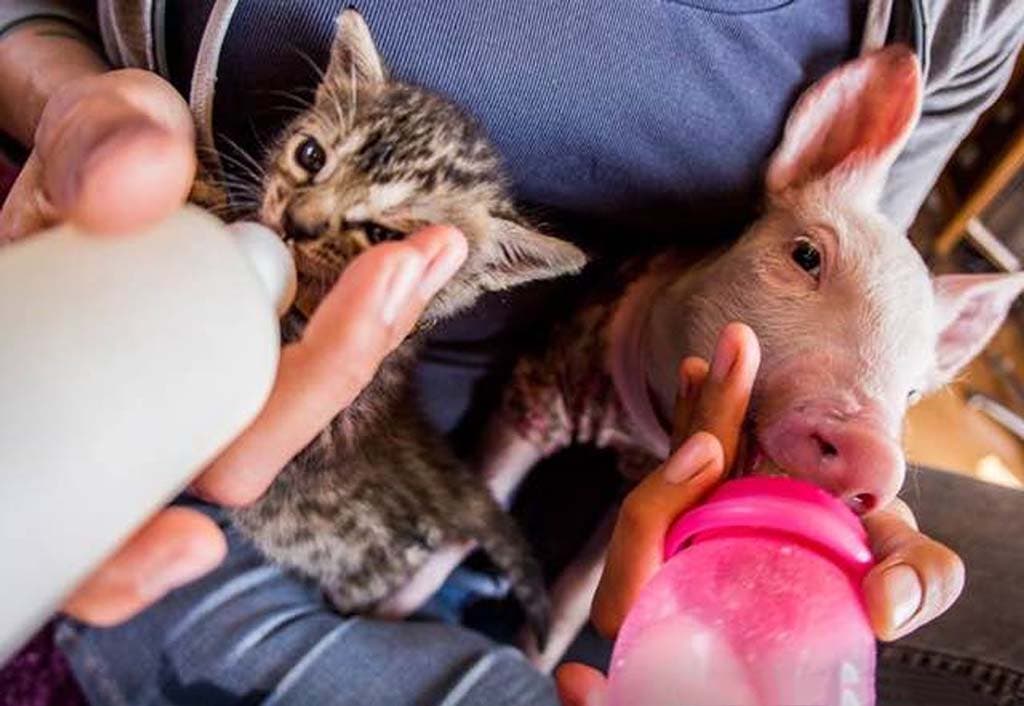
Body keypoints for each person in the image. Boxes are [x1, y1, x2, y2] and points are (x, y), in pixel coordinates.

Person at [0, 2, 1021, 704]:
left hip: (631, 518)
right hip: (215, 476)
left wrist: (777, 512)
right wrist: (69, 102)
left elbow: (865, 271)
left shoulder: (955, 16)